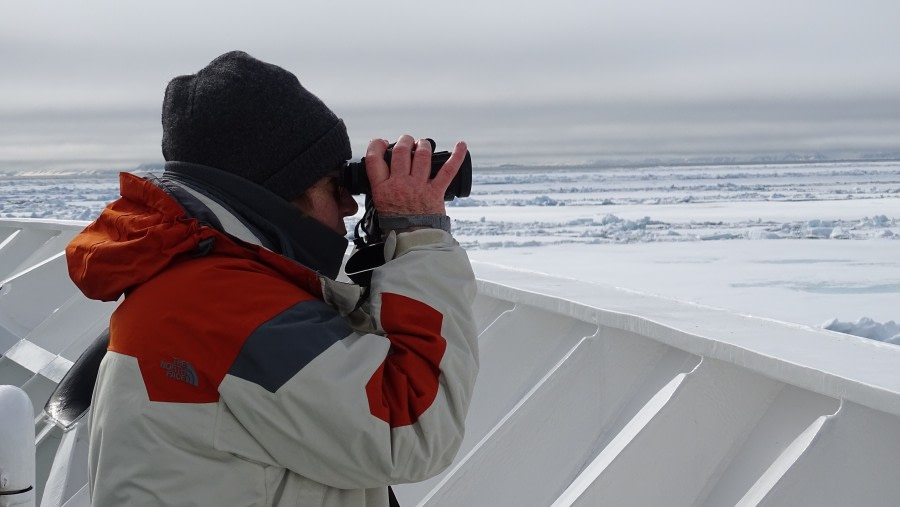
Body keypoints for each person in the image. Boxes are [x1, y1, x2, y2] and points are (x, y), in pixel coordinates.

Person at [65, 50, 478, 506]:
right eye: (335, 186)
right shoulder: (221, 305)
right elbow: (410, 429)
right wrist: (420, 237)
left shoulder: (194, 283)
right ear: (280, 191)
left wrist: (382, 247)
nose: (351, 206)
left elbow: (340, 370)